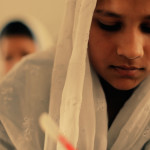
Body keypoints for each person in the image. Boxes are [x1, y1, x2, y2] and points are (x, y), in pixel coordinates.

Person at [0, 0, 150, 149]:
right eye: (109, 24)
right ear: (79, 19)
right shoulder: (18, 95)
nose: (132, 50)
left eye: (148, 28)